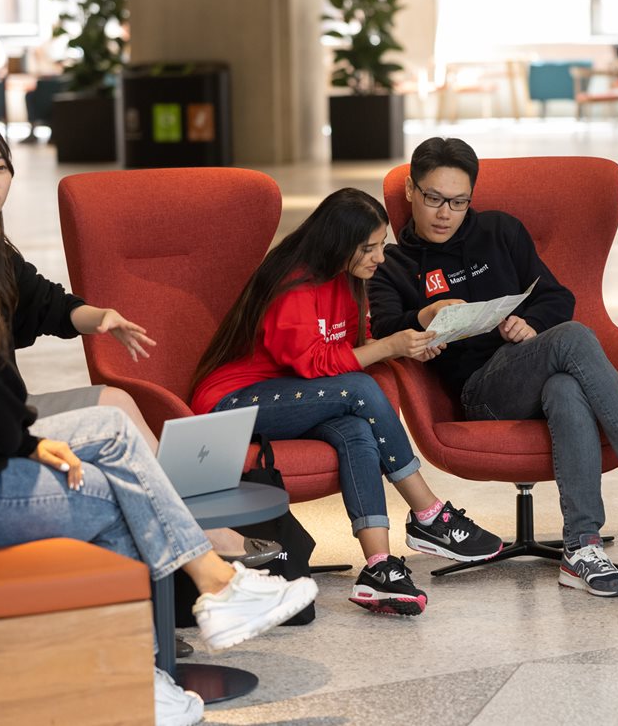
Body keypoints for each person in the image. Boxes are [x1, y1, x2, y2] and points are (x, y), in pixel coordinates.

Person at [0, 165, 319, 726]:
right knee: (120, 497)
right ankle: (139, 677)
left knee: (111, 430)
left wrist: (30, 443)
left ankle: (217, 586)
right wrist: (28, 444)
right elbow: (2, 418)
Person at [369, 137, 618, 598]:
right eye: (433, 198)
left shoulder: (500, 232)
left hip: (530, 368)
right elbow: (383, 328)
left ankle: (581, 548)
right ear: (412, 193)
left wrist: (531, 324)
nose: (444, 213)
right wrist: (425, 317)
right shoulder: (393, 263)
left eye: (458, 202)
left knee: (564, 387)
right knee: (574, 338)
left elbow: (557, 296)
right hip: (480, 393)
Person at [0, 117, 277, 569]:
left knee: (115, 400)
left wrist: (100, 318)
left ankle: (191, 549)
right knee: (116, 446)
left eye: (0, 167)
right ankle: (206, 542)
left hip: (3, 412)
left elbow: (47, 302)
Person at [191, 187, 503, 616]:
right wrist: (391, 345)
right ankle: (430, 514)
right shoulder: (293, 284)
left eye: (381, 245)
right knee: (358, 389)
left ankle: (378, 566)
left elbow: (351, 348)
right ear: (338, 244)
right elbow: (314, 364)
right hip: (232, 404)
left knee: (357, 429)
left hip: (296, 400)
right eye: (368, 248)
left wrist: (413, 336)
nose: (379, 257)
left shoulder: (347, 282)